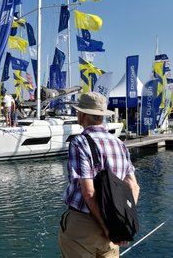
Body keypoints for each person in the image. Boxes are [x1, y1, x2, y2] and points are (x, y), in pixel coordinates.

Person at [58, 92, 140, 257]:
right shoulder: (120, 144)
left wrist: (104, 226)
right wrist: (121, 223)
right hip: (113, 230)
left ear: (82, 114)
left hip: (83, 226)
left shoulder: (80, 142)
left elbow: (89, 193)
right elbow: (133, 186)